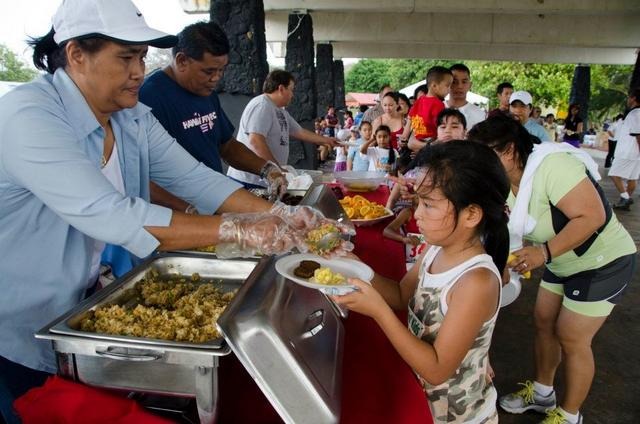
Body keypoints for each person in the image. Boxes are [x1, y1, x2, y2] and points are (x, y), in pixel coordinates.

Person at [0, 2, 349, 422]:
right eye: (126, 57)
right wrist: (240, 232)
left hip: (77, 303)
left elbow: (197, 178)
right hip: (16, 325)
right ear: (76, 55)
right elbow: (113, 214)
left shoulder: (131, 117)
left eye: (143, 57)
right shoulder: (29, 116)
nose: (138, 71)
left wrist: (279, 214)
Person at [469, 116, 636, 424]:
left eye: (483, 156)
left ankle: (570, 415)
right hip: (561, 260)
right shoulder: (504, 180)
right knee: (544, 321)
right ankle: (544, 394)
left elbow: (592, 216)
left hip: (601, 261)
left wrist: (543, 252)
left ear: (508, 151)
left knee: (571, 336)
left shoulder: (553, 166)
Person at [334, 140, 511, 423]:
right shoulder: (434, 249)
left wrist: (378, 310)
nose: (416, 215)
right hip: (421, 399)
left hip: (456, 416)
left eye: (428, 205)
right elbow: (402, 295)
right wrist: (352, 263)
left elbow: (437, 368)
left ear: (472, 214)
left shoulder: (476, 282)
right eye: (418, 202)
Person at [139, 21, 287, 201]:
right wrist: (185, 210)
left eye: (221, 70)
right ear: (181, 60)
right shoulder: (148, 97)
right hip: (179, 212)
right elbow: (141, 176)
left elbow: (227, 146)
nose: (216, 78)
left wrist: (267, 169)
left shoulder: (205, 92)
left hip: (215, 198)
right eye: (208, 71)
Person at [226, 70, 339, 187]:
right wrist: (275, 169)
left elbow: (300, 132)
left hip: (267, 179)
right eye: (291, 89)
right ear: (281, 89)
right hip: (249, 179)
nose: (292, 94)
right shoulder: (262, 105)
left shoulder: (281, 111)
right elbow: (256, 141)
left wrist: (328, 140)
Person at [404, 66, 453, 152]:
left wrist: (405, 135)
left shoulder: (420, 100)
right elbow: (441, 126)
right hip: (432, 141)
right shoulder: (438, 104)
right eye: (447, 86)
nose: (449, 90)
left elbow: (410, 117)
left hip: (416, 139)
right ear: (434, 85)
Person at [608, 89, 640, 210]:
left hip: (628, 152)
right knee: (632, 177)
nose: (628, 100)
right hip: (634, 153)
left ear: (634, 98)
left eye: (629, 97)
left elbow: (638, 135)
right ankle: (624, 201)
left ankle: (625, 198)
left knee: (614, 173)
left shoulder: (635, 114)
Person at [445, 63, 486, 130]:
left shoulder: (480, 115)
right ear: (447, 84)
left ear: (470, 85)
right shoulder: (436, 109)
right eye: (454, 82)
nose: (459, 86)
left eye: (464, 82)